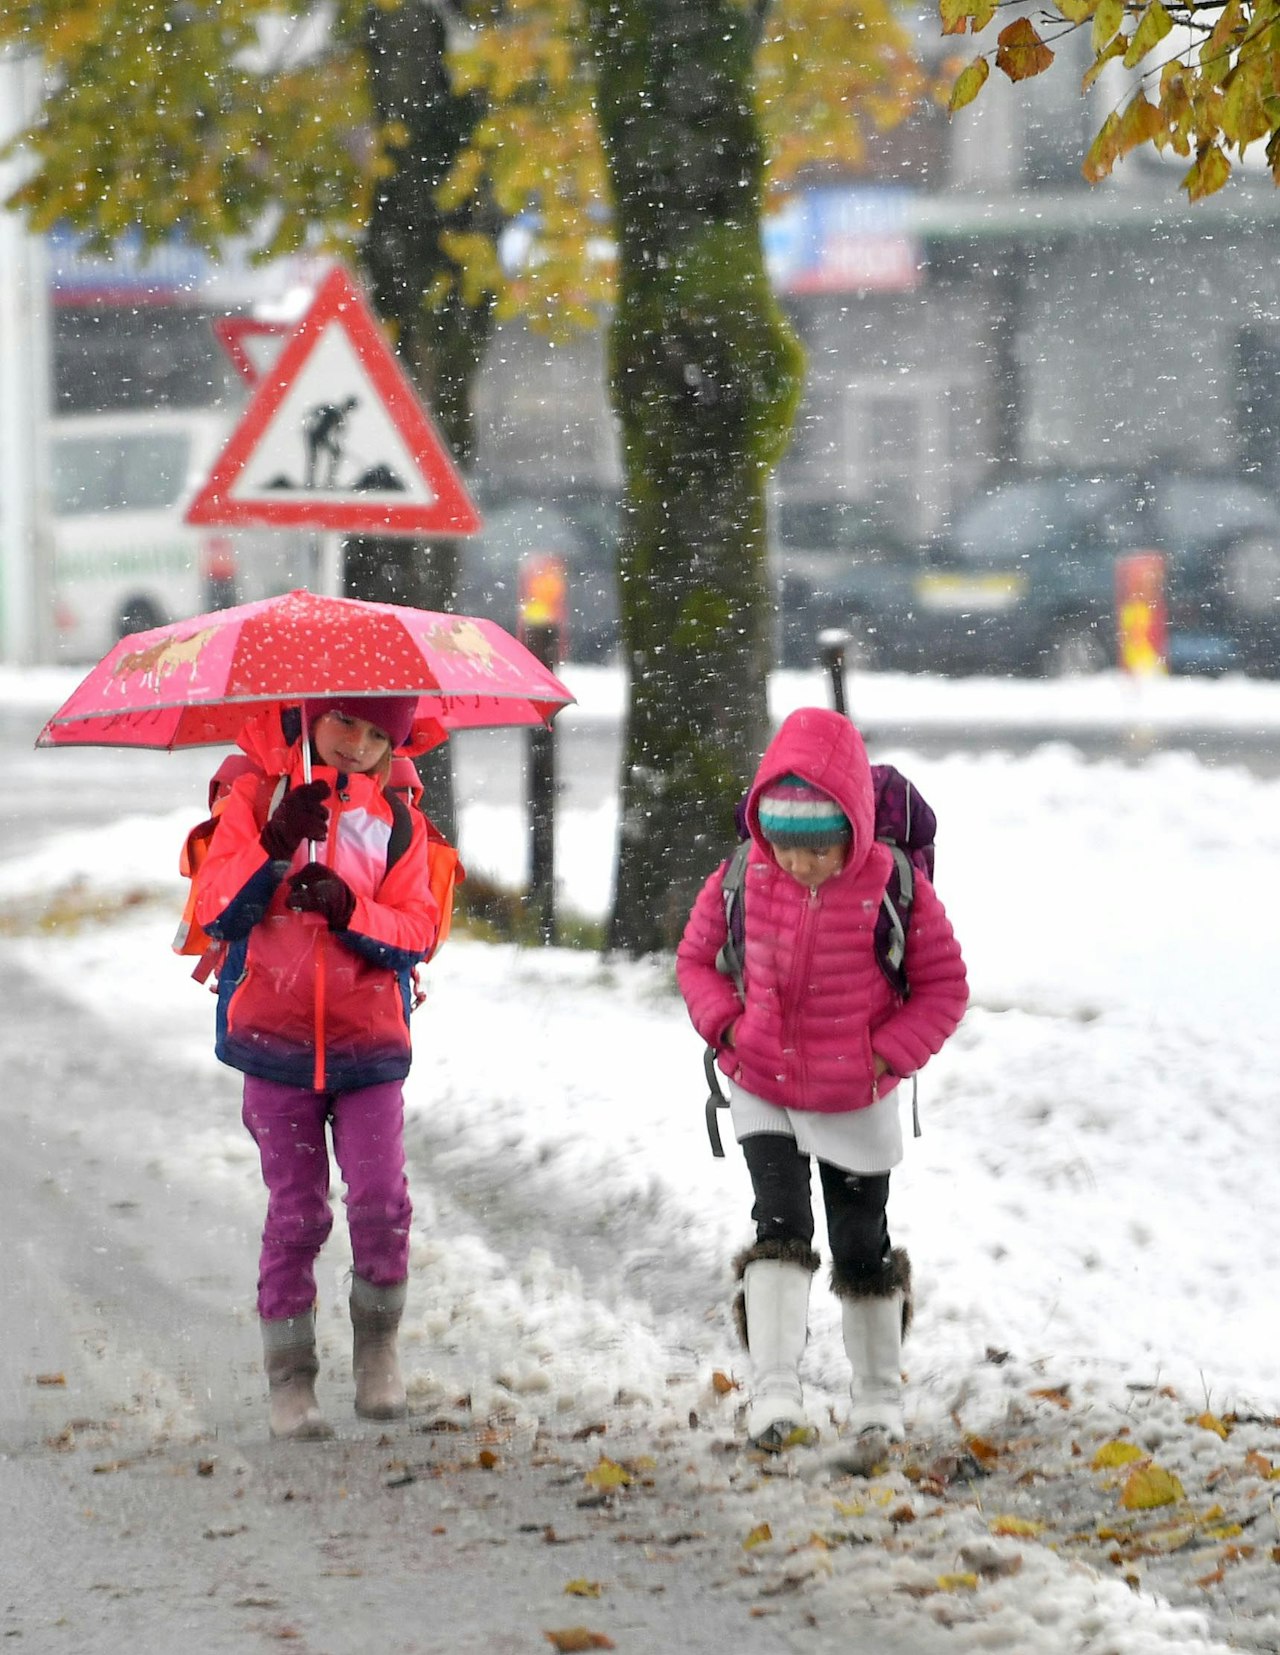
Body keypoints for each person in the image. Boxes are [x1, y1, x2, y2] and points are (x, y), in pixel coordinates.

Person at [676, 706, 968, 1452]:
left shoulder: (895, 886)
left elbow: (944, 988)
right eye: (784, 845)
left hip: (856, 1094)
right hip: (763, 1080)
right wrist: (728, 1028)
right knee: (779, 1223)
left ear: (855, 828)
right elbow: (696, 960)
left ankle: (878, 1398)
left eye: (819, 848)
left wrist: (886, 1054)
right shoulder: (743, 873)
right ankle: (774, 1393)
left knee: (860, 1242)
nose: (799, 864)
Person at [195, 695, 440, 1440]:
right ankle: (290, 1375)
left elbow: (418, 928)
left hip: (369, 1048)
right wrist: (271, 845)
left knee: (378, 1200)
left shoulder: (397, 822)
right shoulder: (256, 797)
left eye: (378, 734)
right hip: (274, 1044)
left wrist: (348, 909)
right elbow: (216, 910)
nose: (360, 746)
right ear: (308, 715)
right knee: (297, 1212)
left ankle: (378, 1345)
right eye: (346, 724)